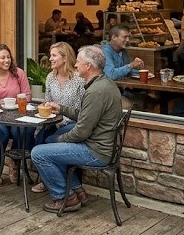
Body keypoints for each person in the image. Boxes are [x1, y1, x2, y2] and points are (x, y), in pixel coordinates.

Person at [30, 45, 124, 213]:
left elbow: (81, 132)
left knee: (38, 152)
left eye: (78, 62)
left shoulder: (96, 91)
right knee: (49, 142)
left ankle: (65, 198)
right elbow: (85, 115)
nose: (75, 65)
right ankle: (77, 190)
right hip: (101, 145)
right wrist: (62, 108)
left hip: (96, 152)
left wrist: (60, 141)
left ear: (88, 66)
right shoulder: (103, 83)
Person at [31, 42, 87, 193]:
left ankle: (71, 186)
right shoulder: (50, 77)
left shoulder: (78, 79)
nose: (50, 58)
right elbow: (48, 102)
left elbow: (81, 111)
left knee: (50, 143)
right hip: (54, 122)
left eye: (54, 55)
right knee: (38, 138)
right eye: (51, 55)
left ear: (65, 57)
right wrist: (45, 108)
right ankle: (47, 179)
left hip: (73, 124)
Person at [0, 43, 30, 184]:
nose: (7, 60)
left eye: (8, 57)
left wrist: (15, 102)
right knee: (0, 132)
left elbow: (28, 95)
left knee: (20, 131)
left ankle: (14, 162)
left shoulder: (18, 73)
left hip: (17, 115)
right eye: (3, 58)